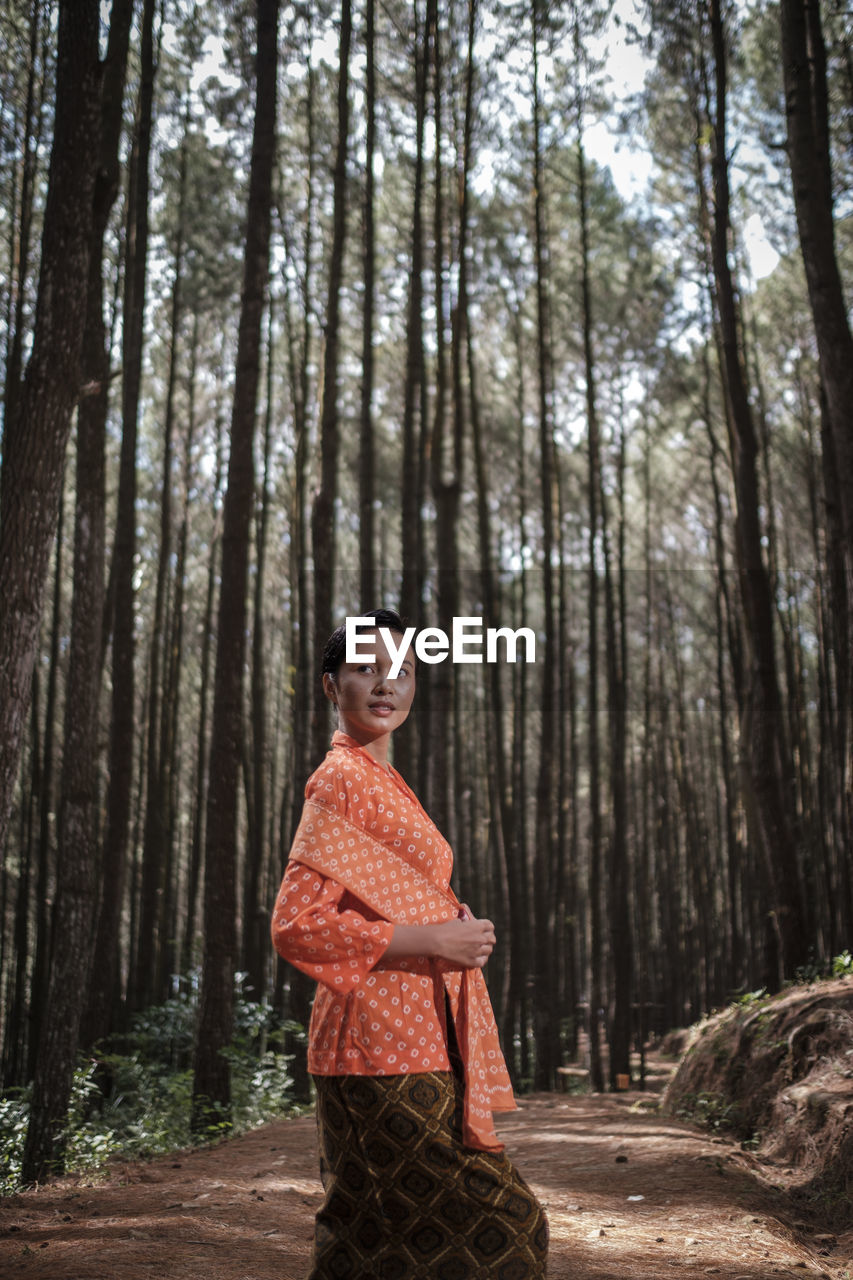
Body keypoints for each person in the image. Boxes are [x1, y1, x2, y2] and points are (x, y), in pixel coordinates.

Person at [271, 608, 549, 1279]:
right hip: (375, 1044)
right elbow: (296, 925)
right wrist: (432, 939)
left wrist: (450, 933)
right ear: (330, 686)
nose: (385, 683)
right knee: (508, 1226)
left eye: (400, 669)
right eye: (365, 668)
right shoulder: (339, 779)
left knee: (367, 1240)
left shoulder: (382, 780)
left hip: (420, 1034)